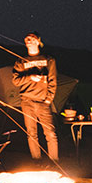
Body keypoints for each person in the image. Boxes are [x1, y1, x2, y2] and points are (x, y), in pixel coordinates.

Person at [13, 31, 58, 162]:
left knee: (50, 133)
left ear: (38, 41)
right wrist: (30, 77)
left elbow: (53, 81)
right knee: (32, 134)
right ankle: (37, 161)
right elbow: (15, 81)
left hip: (43, 102)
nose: (29, 40)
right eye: (27, 38)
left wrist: (49, 99)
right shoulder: (21, 61)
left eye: (32, 38)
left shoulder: (48, 60)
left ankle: (54, 162)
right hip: (27, 101)